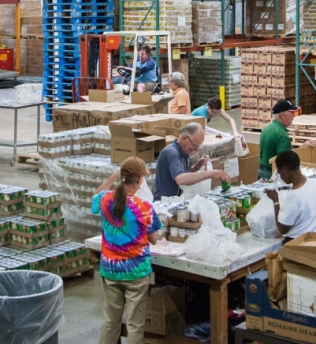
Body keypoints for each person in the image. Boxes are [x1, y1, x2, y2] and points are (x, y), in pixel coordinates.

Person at [92, 157, 164, 344]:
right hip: (135, 272)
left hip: (110, 270)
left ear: (122, 177)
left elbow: (96, 195)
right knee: (134, 324)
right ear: (139, 180)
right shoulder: (144, 207)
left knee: (110, 322)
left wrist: (114, 176)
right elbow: (154, 240)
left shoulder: (106, 200)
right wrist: (163, 232)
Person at [153, 123, 230, 200]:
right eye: (194, 145)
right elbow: (180, 179)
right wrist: (209, 174)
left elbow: (184, 173)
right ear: (184, 138)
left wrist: (198, 166)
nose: (195, 149)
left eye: (198, 146)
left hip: (175, 201)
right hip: (164, 203)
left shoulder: (185, 152)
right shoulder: (172, 153)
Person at [265, 151, 316, 241]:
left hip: (297, 242)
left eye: (279, 173)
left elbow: (282, 229)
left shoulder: (293, 196)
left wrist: (275, 201)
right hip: (315, 237)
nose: (280, 177)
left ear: (285, 169)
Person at [258, 99, 299, 181]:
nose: (293, 116)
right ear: (282, 115)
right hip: (272, 174)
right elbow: (286, 161)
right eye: (291, 113)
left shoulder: (266, 129)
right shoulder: (282, 135)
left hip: (261, 172)